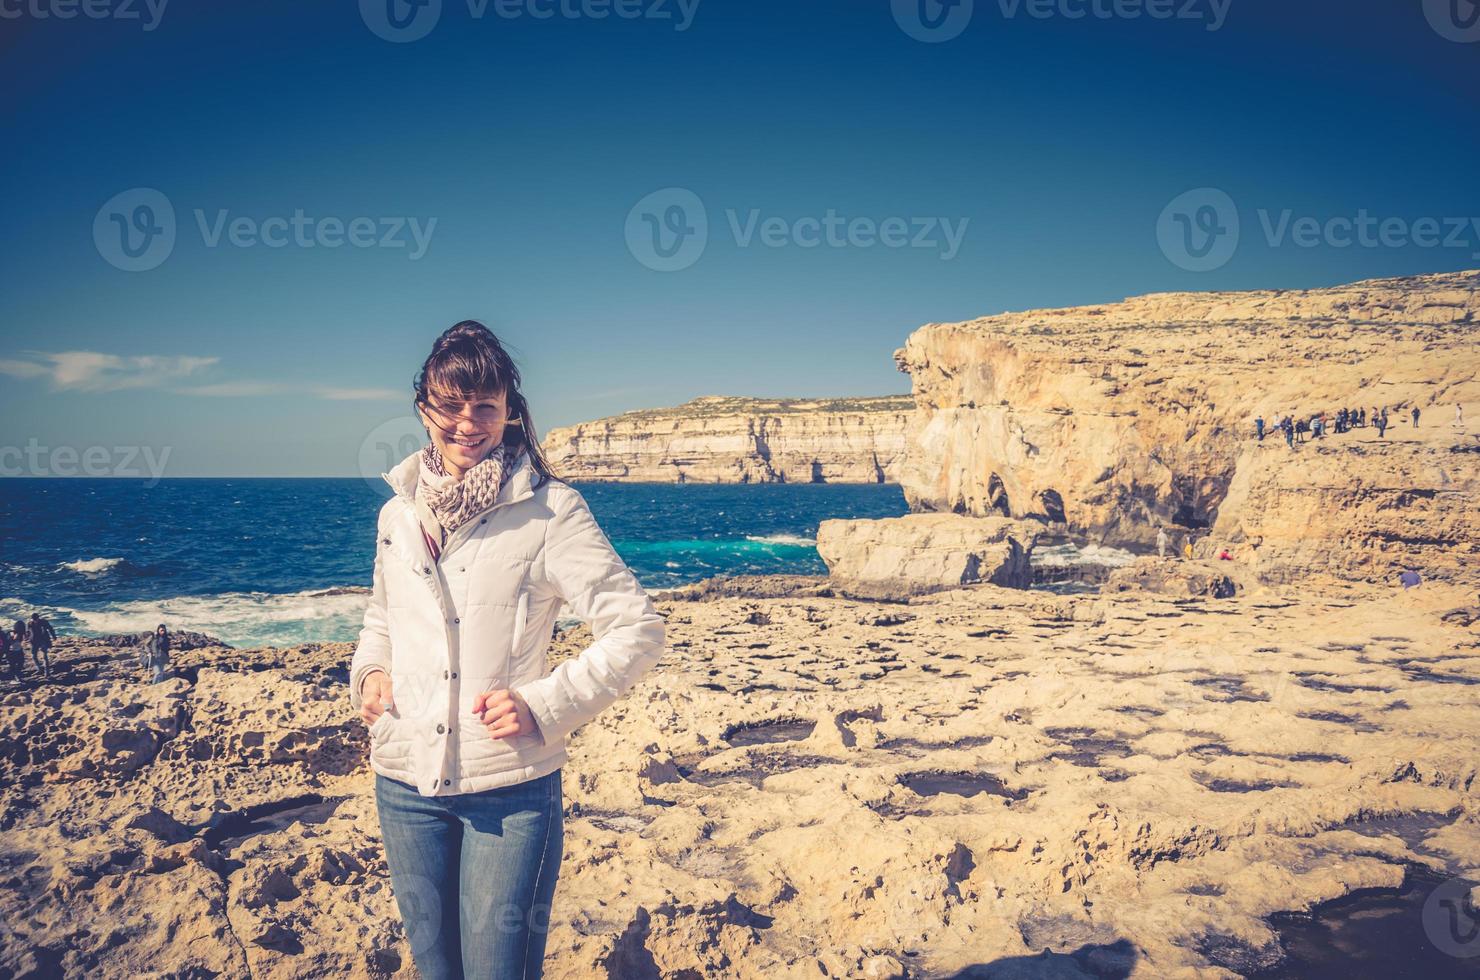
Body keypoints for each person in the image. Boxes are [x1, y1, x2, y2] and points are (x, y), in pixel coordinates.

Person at [351, 320, 666, 980]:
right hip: (403, 781)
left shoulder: (553, 511)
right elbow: (382, 613)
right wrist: (371, 672)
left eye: (486, 407)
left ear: (510, 413)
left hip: (510, 788)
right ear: (424, 407)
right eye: (451, 404)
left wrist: (546, 703)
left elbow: (637, 628)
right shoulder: (397, 514)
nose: (468, 423)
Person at [28, 613, 56, 679]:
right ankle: (39, 669)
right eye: (33, 619)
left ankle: (47, 673)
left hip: (43, 641)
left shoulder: (44, 622)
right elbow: (28, 632)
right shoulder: (30, 623)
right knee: (33, 656)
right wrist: (28, 638)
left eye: (36, 619)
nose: (35, 620)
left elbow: (50, 629)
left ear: (38, 618)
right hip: (34, 642)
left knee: (44, 657)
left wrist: (54, 636)